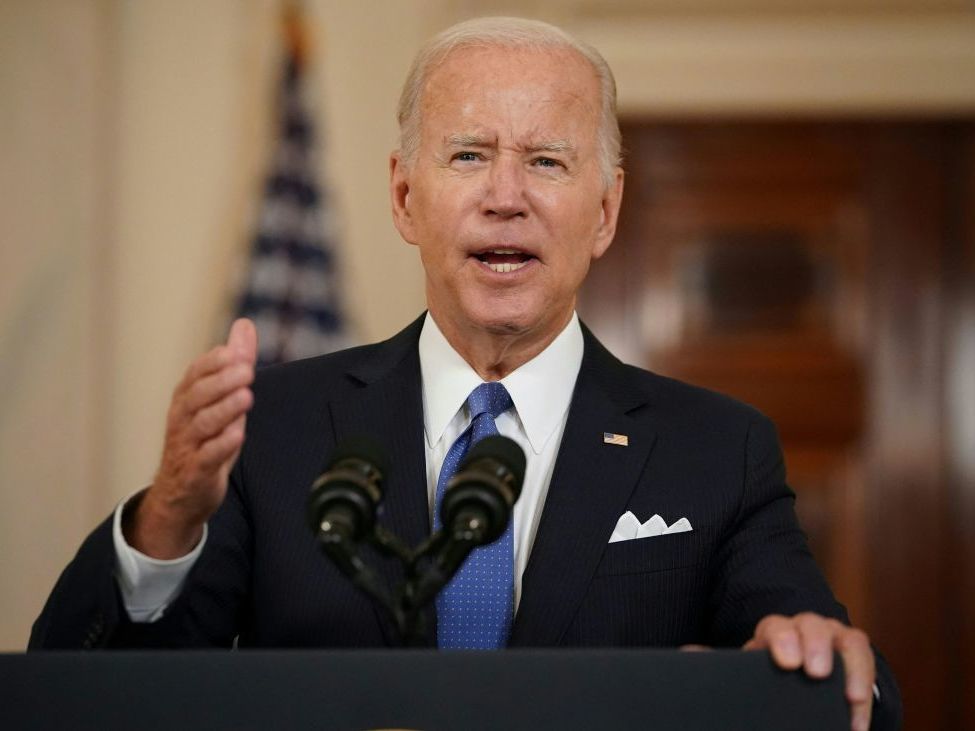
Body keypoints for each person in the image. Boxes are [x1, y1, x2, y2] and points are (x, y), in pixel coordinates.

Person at [31, 16, 899, 731]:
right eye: (468, 155)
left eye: (546, 160)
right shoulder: (275, 428)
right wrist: (166, 520)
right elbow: (77, 697)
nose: (505, 196)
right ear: (404, 197)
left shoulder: (717, 449)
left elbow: (855, 693)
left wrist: (810, 666)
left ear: (605, 210)